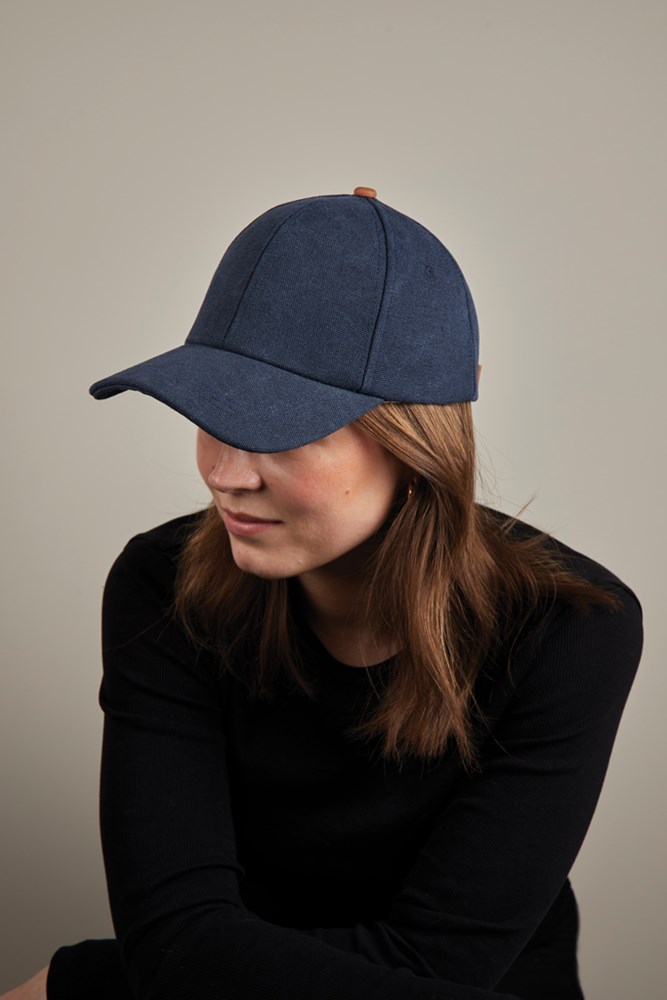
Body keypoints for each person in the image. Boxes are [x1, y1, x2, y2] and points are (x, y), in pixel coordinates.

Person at [3, 188, 642, 1000]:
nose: (225, 475)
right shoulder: (162, 585)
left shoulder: (570, 628)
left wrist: (87, 979)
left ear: (416, 440)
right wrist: (168, 961)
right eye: (212, 414)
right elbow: (169, 936)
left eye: (279, 429)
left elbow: (438, 968)